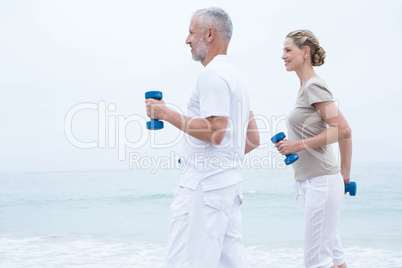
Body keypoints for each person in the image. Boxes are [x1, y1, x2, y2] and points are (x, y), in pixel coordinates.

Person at [145, 7, 260, 268]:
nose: (187, 40)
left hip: (203, 191)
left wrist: (164, 113)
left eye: (191, 33)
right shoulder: (237, 79)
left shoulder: (212, 76)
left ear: (209, 34)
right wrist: (216, 161)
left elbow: (216, 131)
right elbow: (252, 138)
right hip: (226, 188)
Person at [275, 29, 352, 268]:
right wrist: (345, 174)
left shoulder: (313, 86)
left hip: (321, 183)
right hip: (315, 182)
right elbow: (342, 132)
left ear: (305, 52)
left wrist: (297, 144)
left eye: (288, 50)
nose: (283, 56)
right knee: (335, 260)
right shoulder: (305, 88)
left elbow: (342, 129)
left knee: (316, 262)